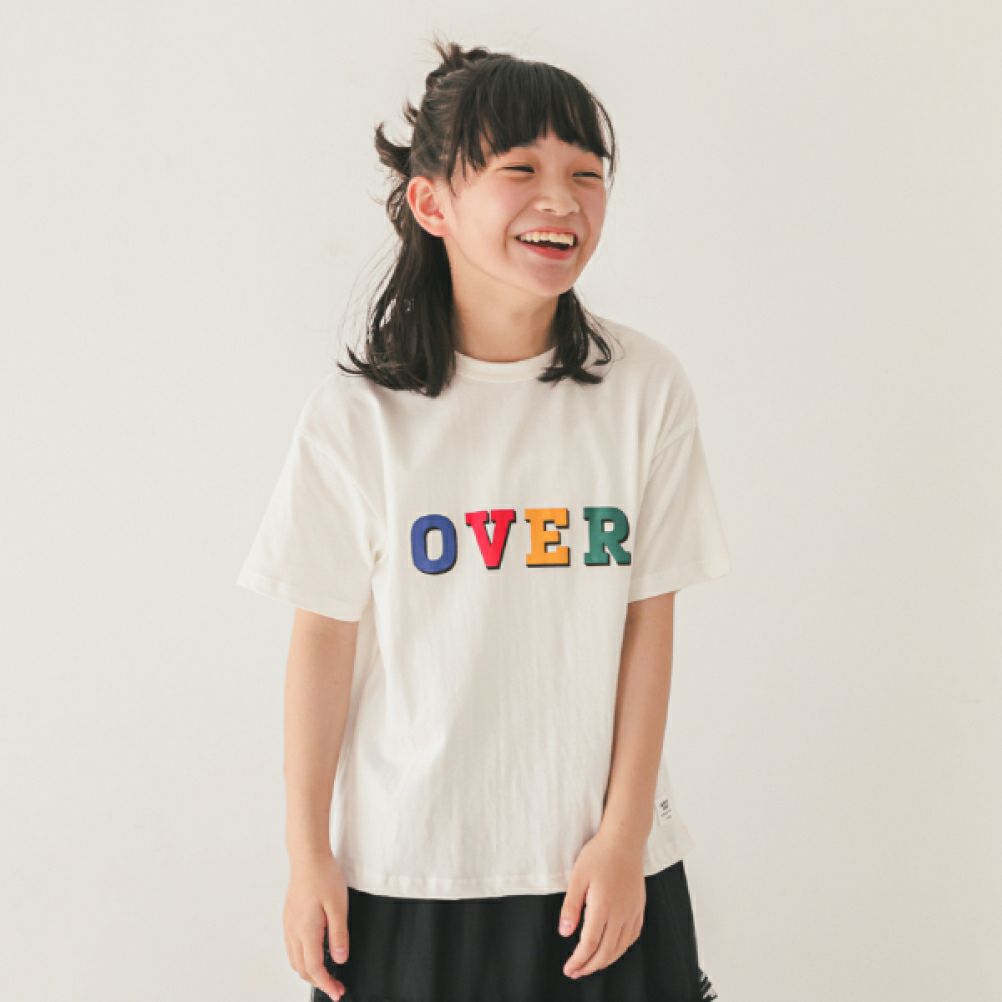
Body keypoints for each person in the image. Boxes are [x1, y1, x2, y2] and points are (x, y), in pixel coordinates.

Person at [237, 35, 729, 1002]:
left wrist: (624, 837)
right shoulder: (359, 418)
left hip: (596, 872)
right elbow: (323, 641)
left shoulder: (644, 390)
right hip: (405, 873)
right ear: (432, 205)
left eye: (586, 173)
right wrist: (307, 855)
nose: (563, 200)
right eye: (520, 170)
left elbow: (647, 622)